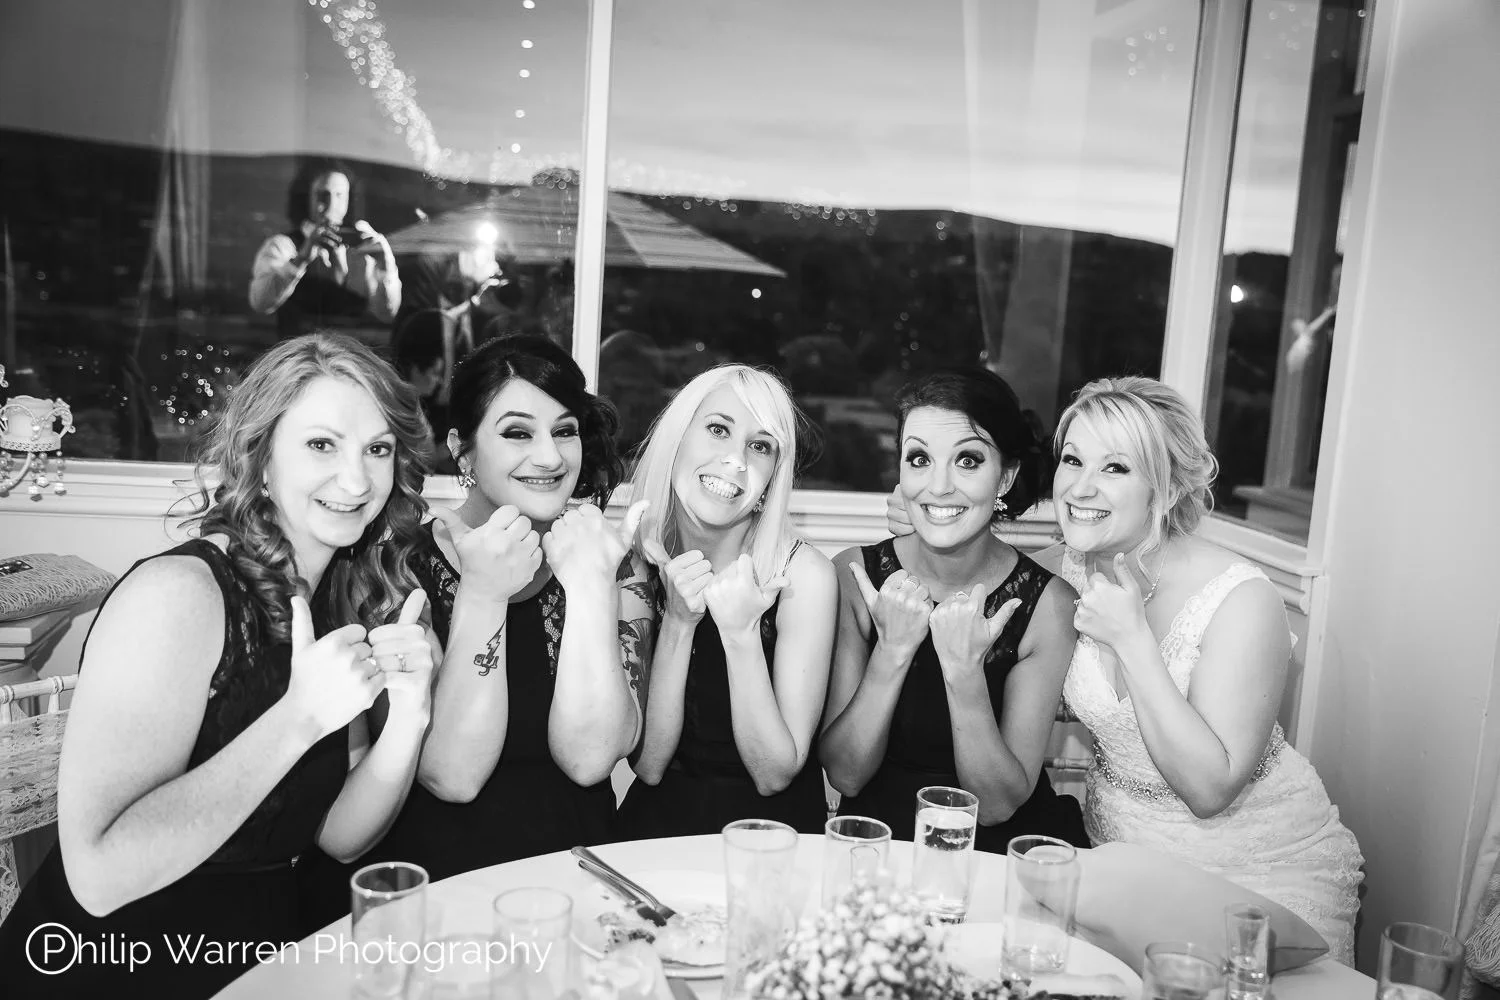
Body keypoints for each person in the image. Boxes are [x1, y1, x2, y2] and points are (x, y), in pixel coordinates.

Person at [0, 333, 437, 998]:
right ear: (260, 458)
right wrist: (298, 719)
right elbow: (98, 878)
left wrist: (410, 713)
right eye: (322, 445)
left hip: (252, 957)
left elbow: (341, 836)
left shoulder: (334, 598)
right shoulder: (179, 596)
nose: (357, 480)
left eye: (378, 449)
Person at [1043, 376, 1362, 961]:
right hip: (1122, 855)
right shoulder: (1059, 572)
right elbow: (984, 566)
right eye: (1072, 459)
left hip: (1259, 874)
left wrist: (1133, 641)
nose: (1080, 487)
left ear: (1165, 490)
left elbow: (1210, 789)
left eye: (1115, 467)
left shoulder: (1242, 599)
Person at [361, 334, 652, 881]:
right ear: (462, 448)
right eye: (518, 432)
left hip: (576, 875)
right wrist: (484, 592)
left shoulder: (612, 561)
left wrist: (592, 588)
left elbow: (590, 761)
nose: (550, 457)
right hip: (442, 882)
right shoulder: (398, 567)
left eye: (565, 431)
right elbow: (452, 776)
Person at [824, 368, 1087, 853]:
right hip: (878, 845)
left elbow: (998, 805)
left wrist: (964, 671)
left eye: (968, 460)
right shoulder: (854, 575)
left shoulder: (1047, 605)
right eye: (919, 459)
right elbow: (846, 775)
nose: (939, 486)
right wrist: (892, 651)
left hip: (996, 853)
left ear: (1005, 476)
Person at [614, 365, 837, 838]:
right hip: (658, 839)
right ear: (677, 439)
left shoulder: (803, 576)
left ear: (773, 475)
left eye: (760, 446)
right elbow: (648, 765)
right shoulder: (636, 566)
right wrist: (678, 622)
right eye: (718, 429)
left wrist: (740, 635)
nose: (736, 460)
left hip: (772, 843)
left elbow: (774, 774)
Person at [249, 161, 401, 340]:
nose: (331, 206)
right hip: (299, 353)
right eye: (323, 196)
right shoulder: (283, 246)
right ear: (306, 199)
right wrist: (301, 259)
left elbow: (387, 313)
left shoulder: (362, 251)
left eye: (340, 196)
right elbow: (260, 303)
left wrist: (385, 266)